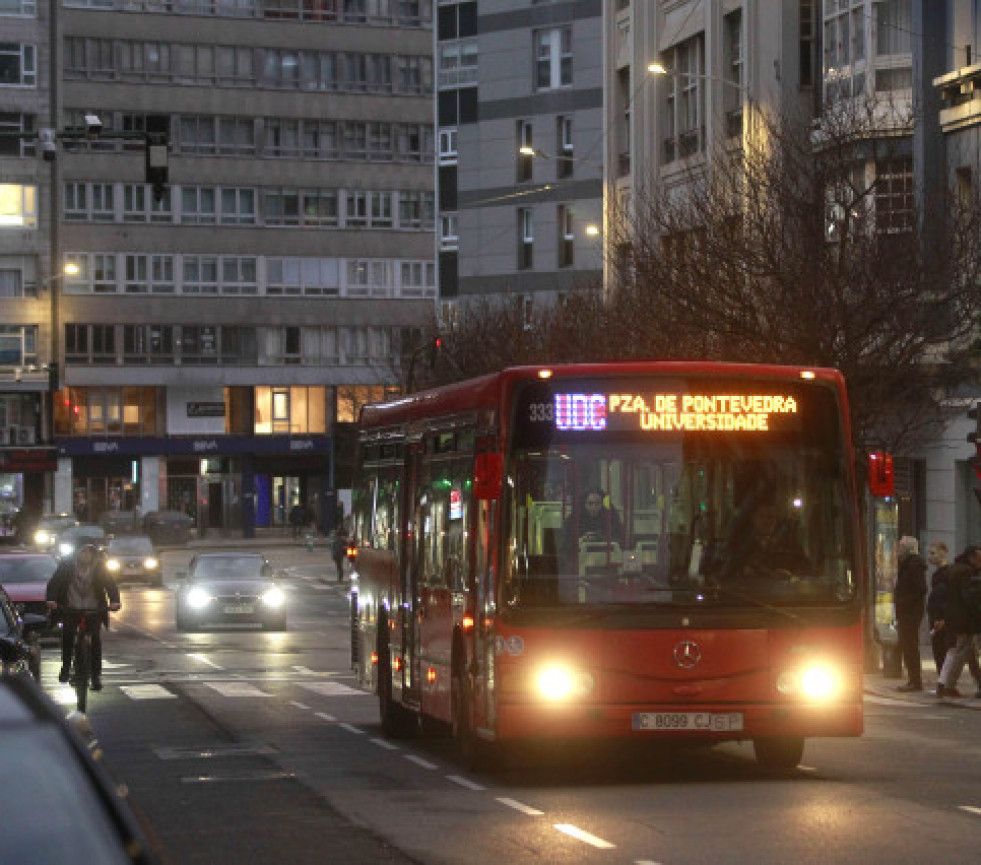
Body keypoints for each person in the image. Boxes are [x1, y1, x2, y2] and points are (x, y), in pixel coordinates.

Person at [45, 544, 121, 692]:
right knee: (67, 635)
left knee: (95, 640)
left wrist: (115, 601)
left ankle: (95, 675)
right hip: (70, 608)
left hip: (93, 609)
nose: (86, 555)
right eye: (83, 552)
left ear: (93, 555)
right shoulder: (66, 566)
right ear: (77, 554)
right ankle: (66, 667)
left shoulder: (100, 568)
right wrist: (52, 600)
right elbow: (54, 584)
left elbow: (111, 585)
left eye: (89, 553)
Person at [935, 544, 981, 699]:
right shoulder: (966, 572)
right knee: (963, 651)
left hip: (955, 617)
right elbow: (968, 597)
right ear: (972, 558)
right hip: (965, 619)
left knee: (969, 653)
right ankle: (948, 685)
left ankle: (978, 683)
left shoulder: (955, 569)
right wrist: (977, 611)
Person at [730, 502, 810, 580]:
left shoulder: (789, 546)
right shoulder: (742, 547)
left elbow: (805, 567)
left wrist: (792, 576)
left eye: (770, 517)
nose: (766, 521)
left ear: (775, 520)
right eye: (761, 516)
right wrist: (770, 575)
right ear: (753, 519)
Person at [894, 535, 928, 693]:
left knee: (910, 646)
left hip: (910, 613)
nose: (897, 550)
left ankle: (915, 681)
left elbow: (920, 588)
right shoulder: (907, 564)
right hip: (906, 611)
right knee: (908, 646)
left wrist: (906, 603)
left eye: (900, 547)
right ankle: (913, 680)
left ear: (907, 549)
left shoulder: (913, 565)